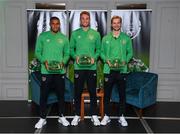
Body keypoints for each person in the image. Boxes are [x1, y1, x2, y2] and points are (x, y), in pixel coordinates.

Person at [34, 17, 70, 129]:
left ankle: (61, 116)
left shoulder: (64, 38)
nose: (55, 26)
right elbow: (37, 52)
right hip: (46, 71)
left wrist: (63, 63)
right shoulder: (43, 37)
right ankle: (42, 118)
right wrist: (43, 61)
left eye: (57, 24)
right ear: (50, 24)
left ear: (59, 25)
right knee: (44, 95)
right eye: (53, 24)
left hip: (60, 72)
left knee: (61, 94)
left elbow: (67, 53)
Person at [100, 16, 133, 126]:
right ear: (111, 24)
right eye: (114, 23)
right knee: (107, 95)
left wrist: (125, 61)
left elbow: (130, 53)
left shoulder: (126, 38)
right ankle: (106, 116)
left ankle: (121, 116)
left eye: (118, 23)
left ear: (121, 24)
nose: (116, 25)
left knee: (122, 94)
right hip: (108, 70)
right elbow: (101, 52)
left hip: (122, 70)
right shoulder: (105, 38)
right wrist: (106, 60)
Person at [70, 11, 101, 126]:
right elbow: (71, 50)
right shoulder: (74, 34)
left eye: (87, 18)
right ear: (80, 20)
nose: (85, 20)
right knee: (77, 92)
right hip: (79, 67)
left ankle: (94, 115)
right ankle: (77, 115)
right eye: (82, 18)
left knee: (93, 92)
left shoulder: (96, 34)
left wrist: (94, 58)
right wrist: (75, 57)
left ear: (89, 20)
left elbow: (98, 50)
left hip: (91, 67)